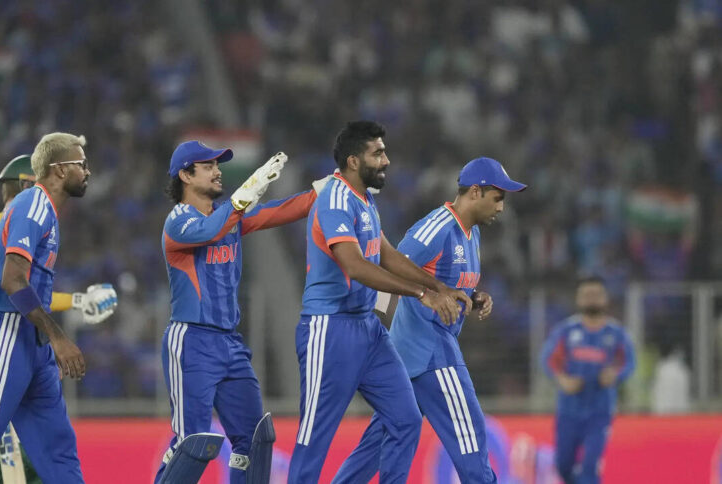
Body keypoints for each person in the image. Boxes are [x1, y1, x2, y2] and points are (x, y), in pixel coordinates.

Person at [288, 121, 473, 484]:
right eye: (378, 153)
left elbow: (386, 254)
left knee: (406, 419)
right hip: (330, 328)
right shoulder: (335, 200)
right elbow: (356, 266)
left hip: (368, 329)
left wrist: (438, 286)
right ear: (354, 161)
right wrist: (422, 294)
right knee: (314, 439)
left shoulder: (365, 198)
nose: (386, 160)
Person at [332, 156, 528, 484]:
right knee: (470, 437)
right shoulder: (437, 228)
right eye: (497, 198)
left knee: (376, 445)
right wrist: (373, 325)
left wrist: (474, 296)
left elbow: (445, 282)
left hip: (411, 358)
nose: (501, 207)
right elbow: (387, 265)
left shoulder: (471, 233)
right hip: (431, 353)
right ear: (475, 192)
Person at [155, 141, 324, 484]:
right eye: (208, 166)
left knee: (256, 439)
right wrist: (246, 194)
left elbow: (277, 211)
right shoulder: (178, 222)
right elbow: (209, 231)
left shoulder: (229, 217)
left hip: (230, 345)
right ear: (185, 175)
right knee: (192, 445)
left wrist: (329, 190)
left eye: (217, 165)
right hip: (192, 342)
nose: (217, 172)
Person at [0, 133, 93, 483]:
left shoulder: (47, 212)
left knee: (57, 449)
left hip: (32, 342)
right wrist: (58, 338)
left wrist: (46, 341)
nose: (88, 171)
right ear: (59, 169)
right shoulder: (32, 205)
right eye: (81, 164)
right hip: (6, 333)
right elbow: (12, 281)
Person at [0, 154, 118, 484]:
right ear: (28, 184)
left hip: (27, 348)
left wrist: (76, 302)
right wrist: (76, 302)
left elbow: (29, 293)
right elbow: (12, 292)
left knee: (35, 453)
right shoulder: (6, 222)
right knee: (8, 457)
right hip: (10, 346)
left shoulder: (20, 221)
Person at [540, 276, 636, 484]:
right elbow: (548, 360)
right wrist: (562, 379)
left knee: (590, 467)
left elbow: (629, 362)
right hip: (568, 411)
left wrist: (615, 375)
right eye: (586, 295)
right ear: (578, 299)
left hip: (600, 412)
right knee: (563, 465)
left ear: (605, 298)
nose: (591, 299)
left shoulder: (616, 333)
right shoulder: (566, 331)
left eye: (596, 294)